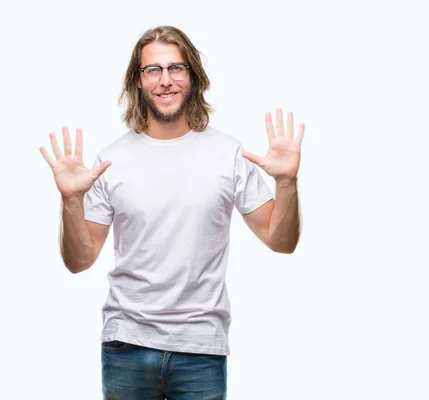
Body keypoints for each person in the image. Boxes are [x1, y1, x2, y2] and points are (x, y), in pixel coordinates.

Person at [39, 25, 304, 399]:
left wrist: (287, 183)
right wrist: (70, 200)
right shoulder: (111, 160)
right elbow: (79, 261)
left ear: (193, 78)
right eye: (153, 70)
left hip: (201, 349)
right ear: (138, 82)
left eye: (176, 68)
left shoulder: (228, 154)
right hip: (126, 345)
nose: (166, 80)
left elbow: (282, 241)